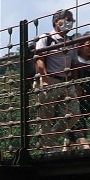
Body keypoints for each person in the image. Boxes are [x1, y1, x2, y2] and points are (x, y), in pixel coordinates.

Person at [34, 9, 77, 151]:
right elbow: (39, 60)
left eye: (71, 20)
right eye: (66, 19)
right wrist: (45, 79)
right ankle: (48, 149)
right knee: (46, 117)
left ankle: (49, 140)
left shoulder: (71, 41)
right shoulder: (46, 38)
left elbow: (74, 64)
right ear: (56, 21)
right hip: (50, 79)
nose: (69, 22)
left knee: (74, 113)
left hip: (67, 81)